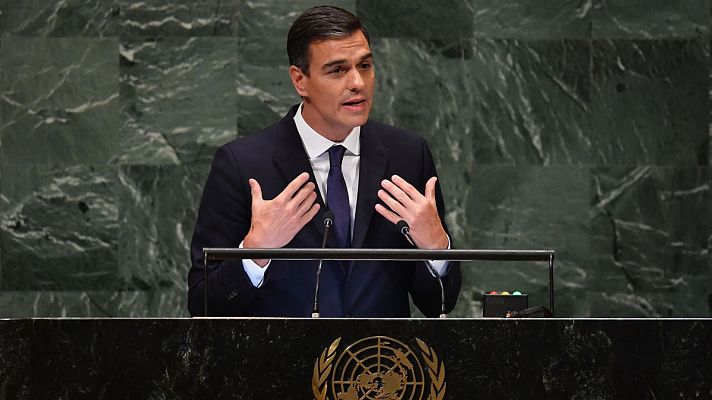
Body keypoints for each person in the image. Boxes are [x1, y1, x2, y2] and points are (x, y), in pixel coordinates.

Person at [188, 6, 461, 317]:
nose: (358, 82)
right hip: (281, 363)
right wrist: (255, 253)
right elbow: (202, 304)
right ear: (300, 80)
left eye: (365, 65)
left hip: (375, 362)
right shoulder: (243, 164)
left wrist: (437, 248)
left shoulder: (408, 155)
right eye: (337, 70)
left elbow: (439, 305)